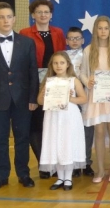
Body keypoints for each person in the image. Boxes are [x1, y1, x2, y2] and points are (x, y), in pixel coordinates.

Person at [0, 2, 39, 191]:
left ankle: (23, 174)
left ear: (14, 19)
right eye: (1, 17)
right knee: (0, 140)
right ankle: (1, 176)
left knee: (22, 138)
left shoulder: (27, 43)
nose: (5, 20)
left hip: (22, 100)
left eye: (9, 17)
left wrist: (33, 98)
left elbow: (33, 72)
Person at [20, 0, 67, 179]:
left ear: (51, 15)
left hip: (55, 83)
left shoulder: (58, 32)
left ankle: (55, 162)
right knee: (36, 124)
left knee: (53, 122)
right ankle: (43, 164)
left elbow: (62, 57)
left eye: (46, 12)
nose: (43, 15)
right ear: (33, 15)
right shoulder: (25, 33)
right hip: (33, 83)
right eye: (39, 12)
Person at [80, 16, 110, 184]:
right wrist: (88, 81)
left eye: (106, 28)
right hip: (96, 98)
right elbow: (82, 73)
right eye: (100, 28)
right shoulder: (89, 50)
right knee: (99, 132)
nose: (103, 31)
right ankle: (100, 169)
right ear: (95, 30)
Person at [37, 52, 87, 191]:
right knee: (55, 144)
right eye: (55, 63)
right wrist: (45, 93)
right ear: (51, 65)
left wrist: (70, 98)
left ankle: (68, 178)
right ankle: (60, 178)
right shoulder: (49, 81)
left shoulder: (73, 80)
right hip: (53, 117)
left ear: (68, 65)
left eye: (62, 63)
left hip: (69, 117)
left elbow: (84, 98)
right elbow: (39, 101)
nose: (58, 66)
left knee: (67, 144)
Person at [65, 26, 94, 177]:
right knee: (71, 130)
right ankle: (74, 163)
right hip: (69, 97)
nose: (74, 41)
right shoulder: (62, 56)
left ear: (83, 40)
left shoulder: (88, 55)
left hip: (86, 95)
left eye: (77, 38)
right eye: (71, 38)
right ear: (66, 41)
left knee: (87, 129)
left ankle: (86, 162)